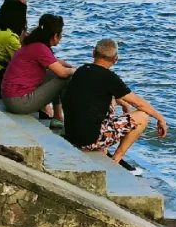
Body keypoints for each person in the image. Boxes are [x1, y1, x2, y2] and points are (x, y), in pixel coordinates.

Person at [62, 39, 167, 174]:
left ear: (93, 53)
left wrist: (123, 103)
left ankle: (104, 149)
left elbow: (99, 93)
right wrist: (160, 118)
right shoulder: (109, 78)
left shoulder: (82, 70)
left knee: (110, 99)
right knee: (143, 116)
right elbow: (139, 103)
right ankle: (116, 160)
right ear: (115, 59)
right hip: (88, 141)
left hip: (71, 135)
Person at [1, 14, 75, 128]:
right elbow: (62, 73)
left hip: (9, 98)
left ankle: (58, 117)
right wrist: (76, 70)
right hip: (18, 102)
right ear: (55, 36)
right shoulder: (41, 48)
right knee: (65, 79)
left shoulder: (33, 45)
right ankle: (68, 124)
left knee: (53, 75)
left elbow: (54, 62)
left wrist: (68, 66)